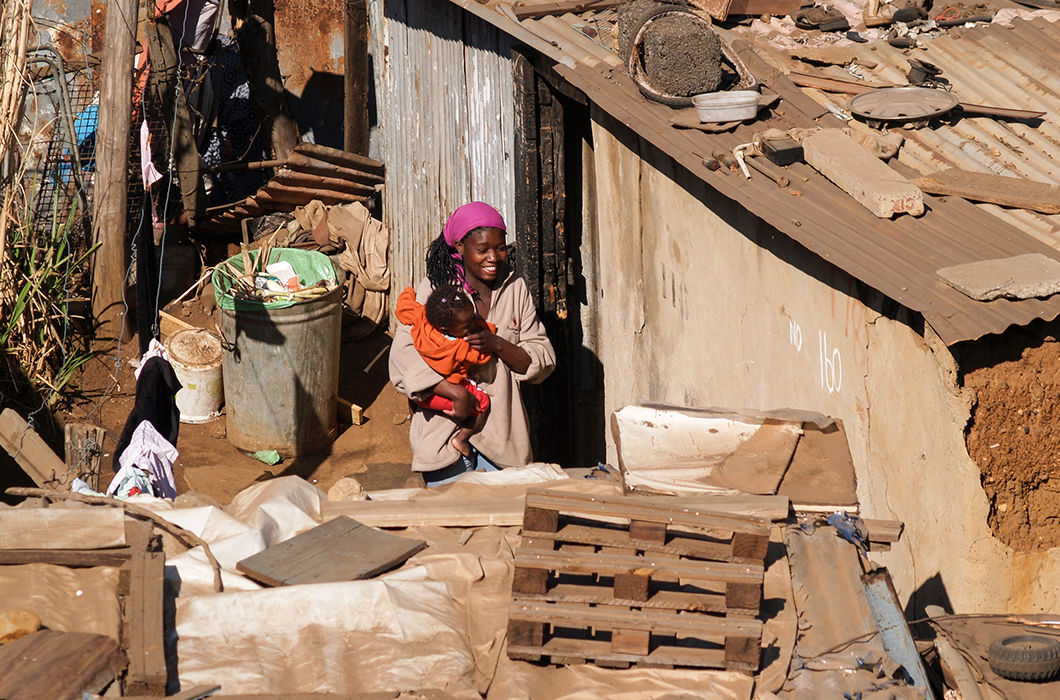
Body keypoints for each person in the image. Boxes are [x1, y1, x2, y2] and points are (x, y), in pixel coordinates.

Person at [389, 201, 556, 486]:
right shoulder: (435, 289)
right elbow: (402, 359)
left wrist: (497, 344)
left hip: (503, 440)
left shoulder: (515, 288)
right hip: (443, 437)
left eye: (500, 247)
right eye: (482, 250)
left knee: (503, 522)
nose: (493, 257)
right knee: (452, 522)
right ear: (459, 248)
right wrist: (455, 393)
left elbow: (542, 358)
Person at [394, 283, 494, 457]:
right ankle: (462, 438)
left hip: (421, 395)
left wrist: (408, 292)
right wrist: (489, 333)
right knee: (483, 402)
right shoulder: (457, 348)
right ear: (445, 330)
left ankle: (413, 414)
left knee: (413, 397)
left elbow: (405, 307)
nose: (472, 326)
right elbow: (481, 356)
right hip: (448, 398)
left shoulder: (422, 320)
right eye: (467, 325)